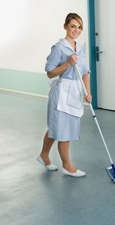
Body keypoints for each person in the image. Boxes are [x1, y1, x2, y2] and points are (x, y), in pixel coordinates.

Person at [37, 13, 92, 177]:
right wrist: (68, 63)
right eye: (73, 26)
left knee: (56, 128)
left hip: (75, 93)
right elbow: (50, 72)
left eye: (79, 27)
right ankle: (67, 166)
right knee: (63, 131)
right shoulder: (59, 48)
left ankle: (44, 155)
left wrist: (87, 93)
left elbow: (85, 73)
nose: (76, 30)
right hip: (61, 94)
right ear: (66, 26)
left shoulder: (80, 49)